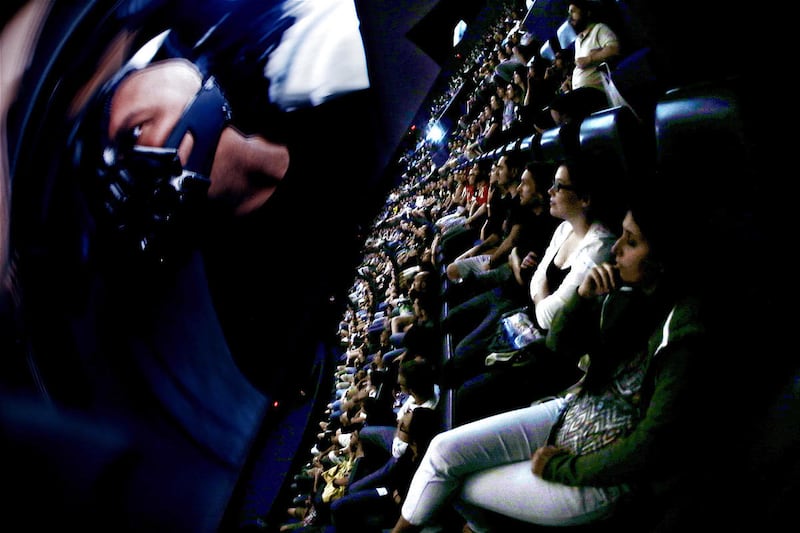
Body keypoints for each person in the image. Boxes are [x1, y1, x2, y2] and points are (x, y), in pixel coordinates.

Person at [391, 182, 708, 532]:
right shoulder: (631, 294)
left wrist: (561, 469)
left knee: (454, 484)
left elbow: (650, 447)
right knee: (441, 452)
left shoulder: (686, 333)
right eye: (621, 235)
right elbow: (560, 348)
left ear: (664, 259)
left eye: (631, 242)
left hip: (599, 477)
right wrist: (582, 299)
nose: (616, 249)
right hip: (570, 413)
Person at [441, 157, 620, 390]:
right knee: (456, 363)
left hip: (548, 352)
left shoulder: (598, 247)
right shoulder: (565, 227)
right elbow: (536, 281)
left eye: (558, 186)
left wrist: (539, 292)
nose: (550, 191)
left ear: (584, 198)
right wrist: (540, 293)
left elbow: (547, 317)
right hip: (524, 320)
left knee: (467, 390)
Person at [330, 407, 439, 532]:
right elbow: (394, 476)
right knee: (341, 502)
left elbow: (413, 506)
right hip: (389, 491)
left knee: (341, 509)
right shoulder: (409, 451)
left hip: (398, 509)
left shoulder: (424, 466)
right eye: (408, 412)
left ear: (414, 439)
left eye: (401, 426)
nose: (397, 427)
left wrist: (399, 496)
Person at [548, 1, 620, 126]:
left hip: (596, 90)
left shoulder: (599, 29)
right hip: (580, 92)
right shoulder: (577, 40)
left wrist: (590, 59)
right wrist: (571, 81)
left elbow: (614, 49)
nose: (570, 16)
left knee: (556, 107)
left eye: (573, 11)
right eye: (569, 13)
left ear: (587, 12)